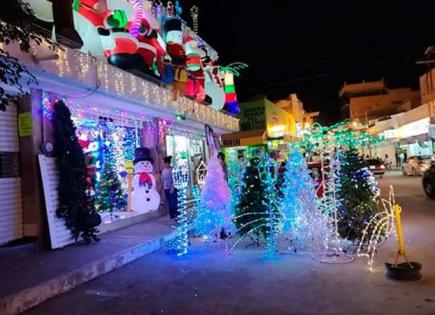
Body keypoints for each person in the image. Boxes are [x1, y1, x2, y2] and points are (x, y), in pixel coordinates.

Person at [161, 156, 178, 220]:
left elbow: (175, 179)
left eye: (163, 163)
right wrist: (161, 187)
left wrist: (172, 187)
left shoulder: (172, 170)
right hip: (166, 189)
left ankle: (176, 214)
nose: (162, 164)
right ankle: (172, 216)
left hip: (172, 189)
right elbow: (163, 179)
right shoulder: (164, 170)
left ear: (167, 163)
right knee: (169, 203)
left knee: (173, 202)